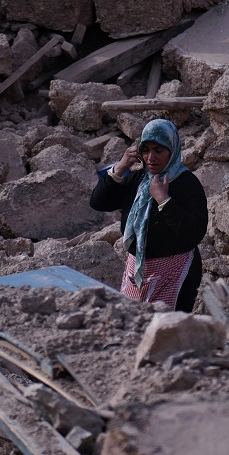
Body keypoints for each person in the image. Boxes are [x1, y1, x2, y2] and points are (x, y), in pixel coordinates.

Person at [90, 118, 208, 312]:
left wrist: (163, 200)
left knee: (166, 331)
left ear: (172, 149)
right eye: (146, 150)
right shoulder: (138, 179)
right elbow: (98, 203)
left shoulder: (186, 184)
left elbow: (193, 233)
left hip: (175, 273)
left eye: (159, 151)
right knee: (133, 325)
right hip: (137, 270)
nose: (151, 158)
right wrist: (120, 167)